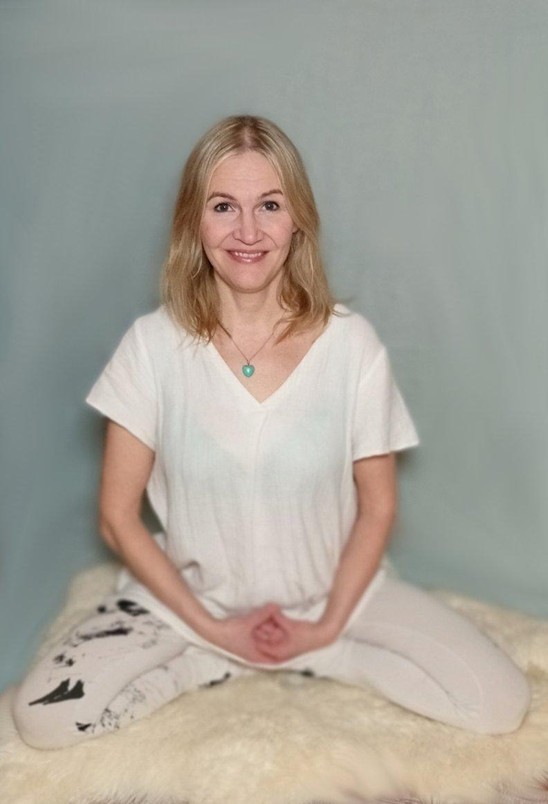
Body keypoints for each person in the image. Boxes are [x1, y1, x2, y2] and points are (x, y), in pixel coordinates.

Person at [13, 115, 530, 750]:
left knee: (499, 703)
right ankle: (210, 661)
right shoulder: (152, 345)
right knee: (43, 717)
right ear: (193, 222)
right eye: (223, 206)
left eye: (270, 205)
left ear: (297, 220)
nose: (248, 231)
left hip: (333, 604)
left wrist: (327, 627)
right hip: (188, 609)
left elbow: (379, 507)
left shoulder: (351, 346)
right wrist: (212, 629)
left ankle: (316, 656)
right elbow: (117, 519)